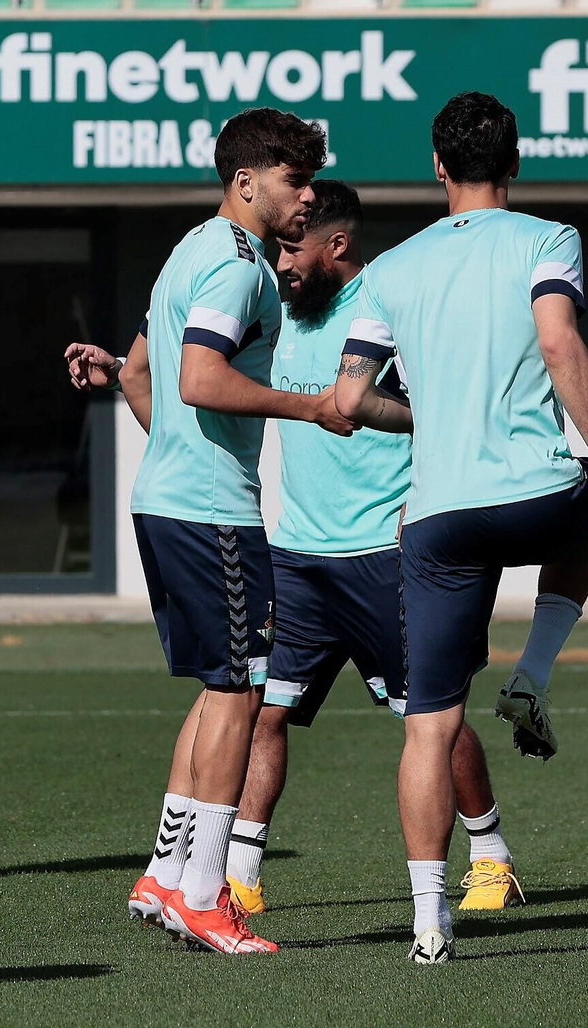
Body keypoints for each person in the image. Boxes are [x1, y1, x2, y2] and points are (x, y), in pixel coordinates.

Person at [333, 92, 588, 964]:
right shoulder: (546, 237)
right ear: (515, 161)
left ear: (437, 165)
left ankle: (427, 926)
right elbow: (561, 343)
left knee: (428, 728)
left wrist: (425, 417)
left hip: (441, 518)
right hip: (532, 499)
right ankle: (531, 673)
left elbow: (347, 400)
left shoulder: (391, 266)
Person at [65, 108, 342, 954]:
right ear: (245, 180)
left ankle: (164, 875)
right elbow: (199, 379)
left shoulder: (190, 248)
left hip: (172, 499)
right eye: (296, 180)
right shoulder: (237, 264)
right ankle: (202, 894)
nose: (308, 196)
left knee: (219, 686)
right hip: (210, 512)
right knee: (239, 692)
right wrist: (311, 407)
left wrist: (183, 460)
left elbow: (140, 373)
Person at [222, 180, 521, 915]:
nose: (282, 261)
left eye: (294, 247)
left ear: (339, 245)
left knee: (432, 719)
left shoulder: (391, 308)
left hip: (387, 558)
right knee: (266, 710)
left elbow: (447, 409)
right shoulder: (278, 312)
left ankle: (489, 853)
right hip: (295, 556)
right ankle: (240, 875)